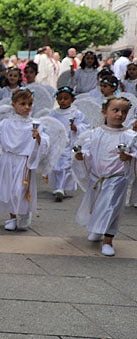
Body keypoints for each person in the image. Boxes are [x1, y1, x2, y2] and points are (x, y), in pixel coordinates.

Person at [0, 89, 52, 231]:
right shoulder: (6, 123)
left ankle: (24, 213)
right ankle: (12, 217)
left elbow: (45, 142)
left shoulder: (35, 124)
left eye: (30, 104)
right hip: (8, 160)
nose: (27, 107)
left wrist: (38, 137)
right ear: (14, 105)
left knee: (20, 189)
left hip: (24, 161)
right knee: (9, 190)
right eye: (23, 104)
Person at [74, 97, 136, 257]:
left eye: (124, 112)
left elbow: (135, 153)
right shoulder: (96, 133)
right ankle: (97, 230)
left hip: (117, 179)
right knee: (97, 206)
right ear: (105, 112)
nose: (120, 114)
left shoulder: (130, 136)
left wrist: (129, 157)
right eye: (115, 110)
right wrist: (82, 156)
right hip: (97, 177)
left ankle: (108, 240)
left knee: (112, 208)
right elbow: (89, 151)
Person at [48, 86, 88, 202]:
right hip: (57, 143)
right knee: (56, 166)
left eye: (66, 98)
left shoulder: (76, 114)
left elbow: (85, 125)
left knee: (66, 165)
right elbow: (49, 126)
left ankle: (60, 188)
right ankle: (58, 186)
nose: (62, 101)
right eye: (60, 98)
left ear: (72, 100)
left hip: (69, 142)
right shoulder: (53, 113)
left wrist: (77, 128)